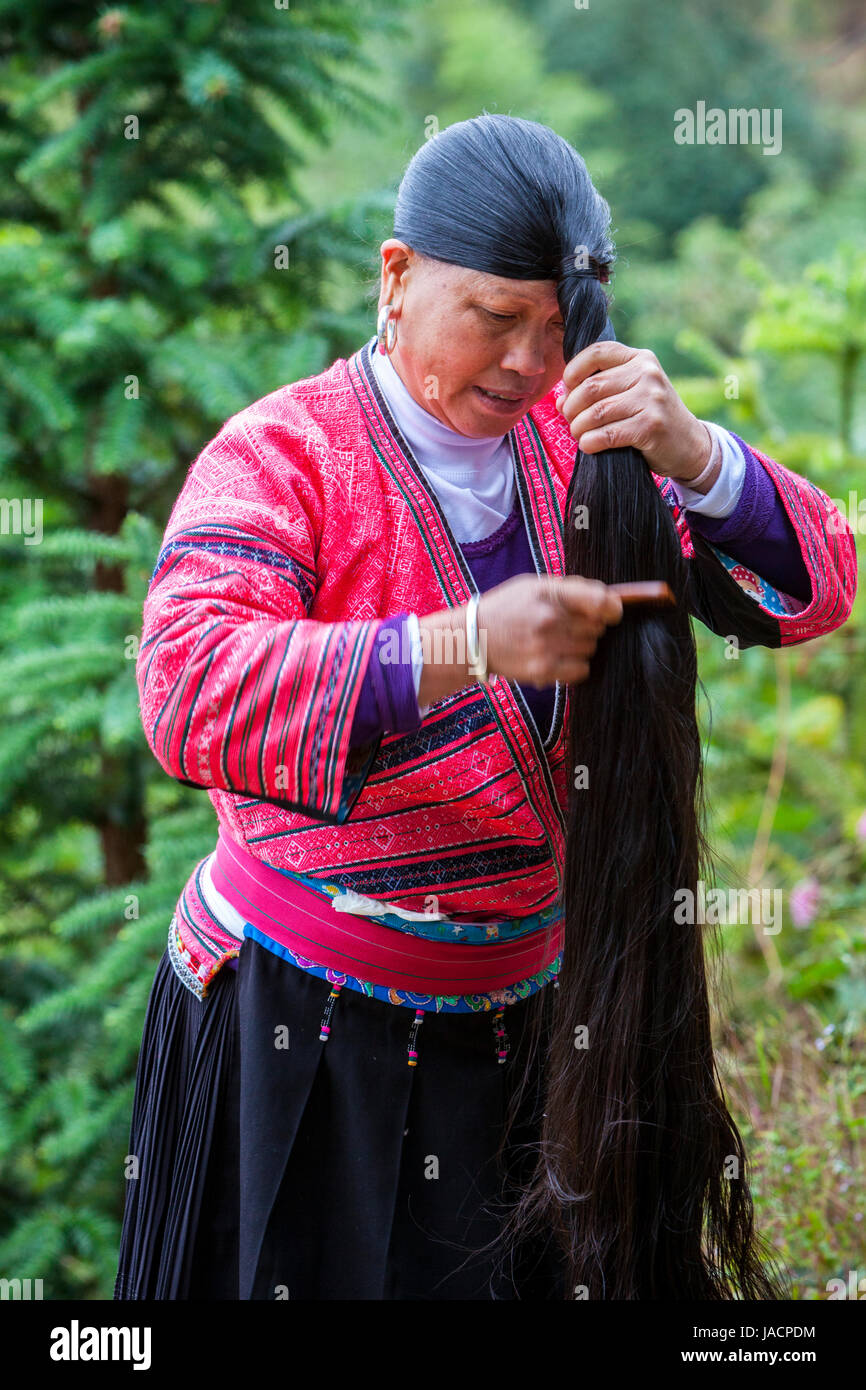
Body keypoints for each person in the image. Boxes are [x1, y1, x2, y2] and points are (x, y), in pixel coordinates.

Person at [114, 114, 856, 1301]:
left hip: (541, 1036)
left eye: (555, 331)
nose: (524, 364)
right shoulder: (281, 456)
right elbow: (189, 691)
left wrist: (699, 455)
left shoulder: (590, 457)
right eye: (495, 320)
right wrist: (458, 644)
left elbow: (817, 583)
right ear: (395, 277)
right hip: (301, 1032)